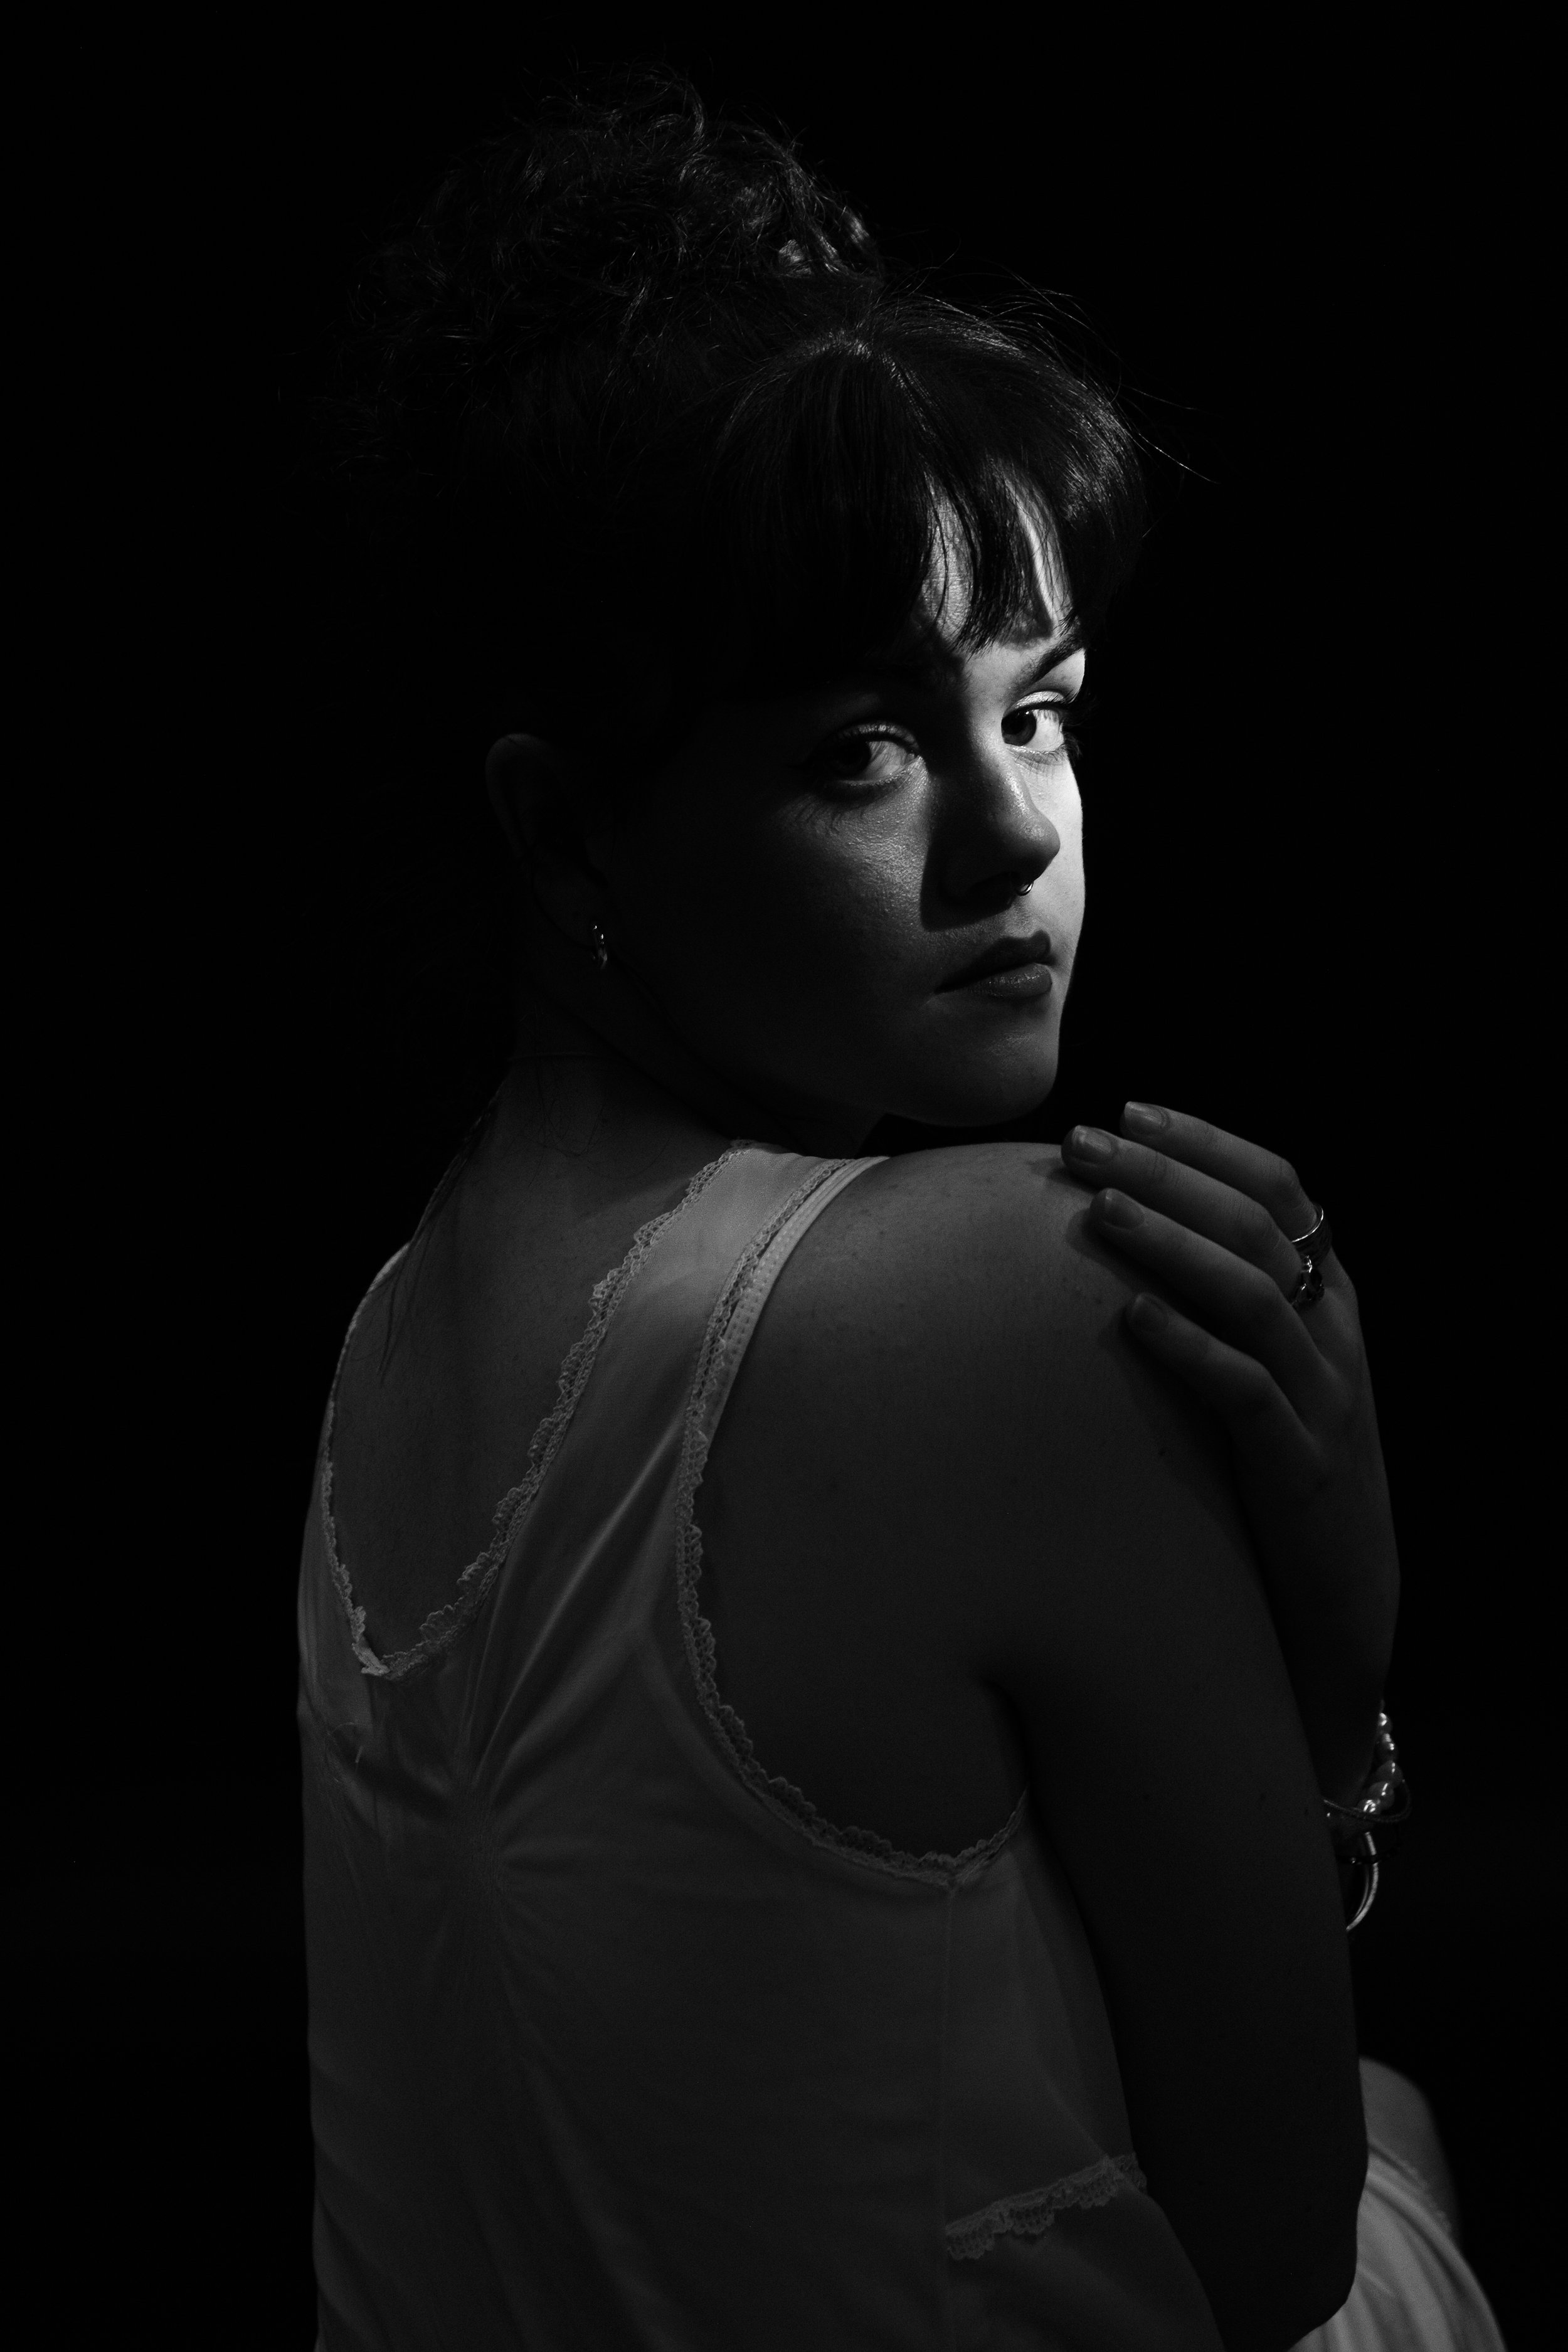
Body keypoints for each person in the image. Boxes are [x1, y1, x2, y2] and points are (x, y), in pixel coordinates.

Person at [297, 70, 1503, 2352]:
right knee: (1402, 2136)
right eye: (862, 748)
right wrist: (1338, 1663)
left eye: (1038, 710)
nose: (1014, 833)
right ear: (566, 835)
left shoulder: (383, 1337)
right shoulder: (996, 1298)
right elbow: (1267, 2254)